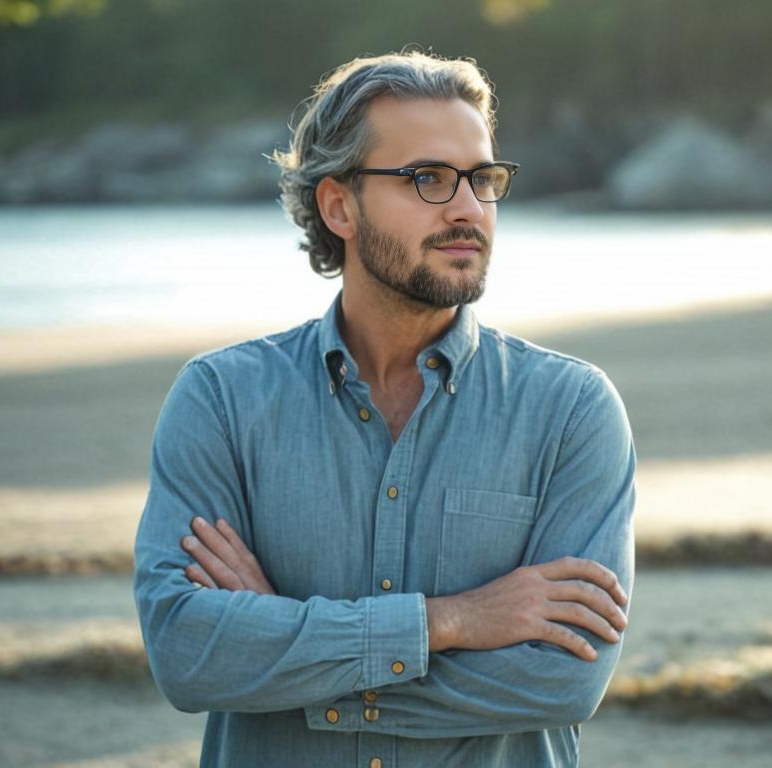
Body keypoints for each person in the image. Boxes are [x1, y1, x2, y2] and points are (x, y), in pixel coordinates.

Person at [133, 50, 635, 768]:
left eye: (482, 179)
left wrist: (278, 647)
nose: (468, 208)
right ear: (338, 205)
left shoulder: (571, 409)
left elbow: (563, 677)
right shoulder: (221, 399)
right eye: (426, 178)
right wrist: (455, 621)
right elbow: (189, 656)